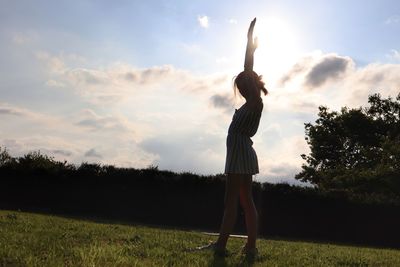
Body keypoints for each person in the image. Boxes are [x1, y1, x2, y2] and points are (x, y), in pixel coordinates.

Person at [199, 18, 268, 257]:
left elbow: (248, 69)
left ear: (249, 84)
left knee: (232, 201)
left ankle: (222, 246)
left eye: (242, 83)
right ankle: (250, 248)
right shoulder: (251, 104)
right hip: (242, 153)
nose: (240, 86)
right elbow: (248, 72)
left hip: (240, 153)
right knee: (245, 200)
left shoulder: (254, 102)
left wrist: (249, 44)